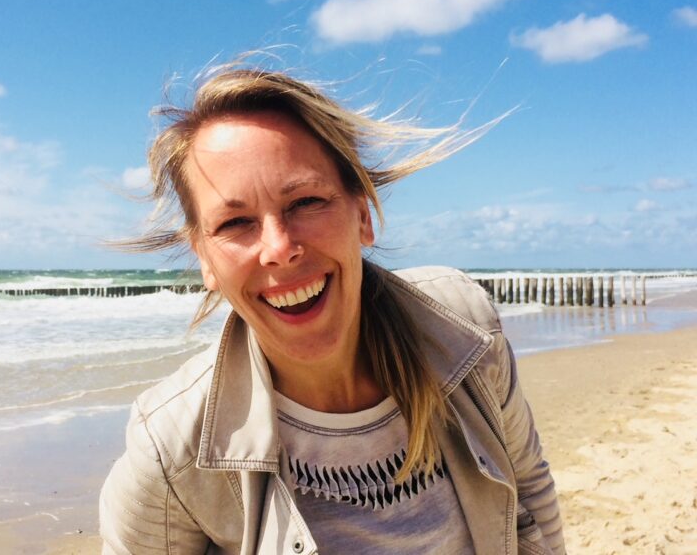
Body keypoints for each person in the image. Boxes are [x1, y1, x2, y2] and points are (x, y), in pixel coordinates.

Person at [100, 64, 566, 554]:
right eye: (236, 222)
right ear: (205, 261)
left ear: (362, 215)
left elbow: (529, 493)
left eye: (305, 202)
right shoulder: (172, 451)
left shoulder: (465, 332)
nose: (279, 248)